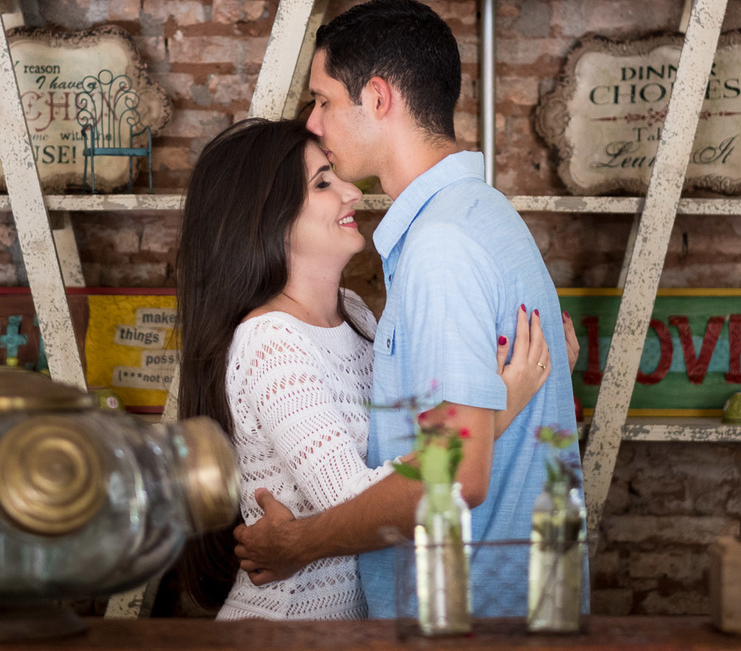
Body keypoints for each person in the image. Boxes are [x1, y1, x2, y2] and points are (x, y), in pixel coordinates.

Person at [233, 0, 585, 619]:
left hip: (469, 614)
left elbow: (459, 475)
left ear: (377, 98)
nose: (314, 123)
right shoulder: (486, 217)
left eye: (324, 101)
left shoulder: (440, 249)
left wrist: (297, 543)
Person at [175, 117, 557, 620]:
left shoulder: (354, 312)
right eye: (323, 183)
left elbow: (412, 432)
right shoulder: (270, 342)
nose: (352, 193)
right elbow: (359, 503)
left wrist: (530, 366)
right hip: (287, 628)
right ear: (267, 217)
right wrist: (503, 400)